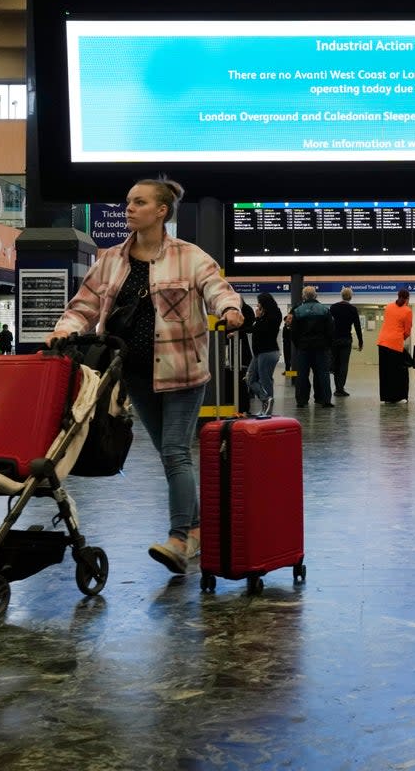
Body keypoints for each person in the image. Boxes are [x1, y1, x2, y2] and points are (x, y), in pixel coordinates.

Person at [46, 177, 244, 576]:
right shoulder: (111, 260)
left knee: (173, 452)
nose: (129, 209)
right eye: (127, 203)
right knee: (169, 456)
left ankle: (179, 538)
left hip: (184, 372)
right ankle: (201, 528)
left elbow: (216, 287)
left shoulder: (190, 257)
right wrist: (64, 327)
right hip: (134, 374)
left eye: (139, 202)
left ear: (161, 211)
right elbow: (83, 304)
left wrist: (229, 309)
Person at [289, 286, 335, 408]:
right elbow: (330, 331)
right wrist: (327, 345)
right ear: (316, 296)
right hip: (321, 348)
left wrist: (299, 345)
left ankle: (301, 400)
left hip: (303, 348)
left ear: (304, 296)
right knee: (323, 374)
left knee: (302, 375)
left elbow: (294, 333)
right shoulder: (325, 310)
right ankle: (324, 399)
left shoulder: (298, 311)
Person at [246, 292, 282, 415]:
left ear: (264, 303)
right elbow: (252, 329)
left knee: (265, 380)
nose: (257, 305)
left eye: (259, 303)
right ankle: (266, 399)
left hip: (268, 352)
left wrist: (258, 317)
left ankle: (267, 408)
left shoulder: (274, 315)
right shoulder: (266, 315)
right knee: (250, 379)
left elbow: (260, 330)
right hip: (259, 353)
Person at [376, 288, 413, 404]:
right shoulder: (407, 311)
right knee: (399, 372)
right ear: (408, 298)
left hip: (382, 342)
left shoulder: (388, 307)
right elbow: (407, 331)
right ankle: (400, 397)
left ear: (398, 296)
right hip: (395, 343)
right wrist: (400, 338)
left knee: (385, 371)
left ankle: (386, 397)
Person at [328, 287, 363, 397]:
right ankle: (340, 388)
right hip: (346, 340)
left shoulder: (333, 307)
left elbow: (328, 324)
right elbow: (357, 326)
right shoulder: (353, 309)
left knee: (336, 363)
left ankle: (337, 387)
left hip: (334, 340)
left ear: (341, 295)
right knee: (343, 364)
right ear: (351, 297)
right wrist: (360, 341)